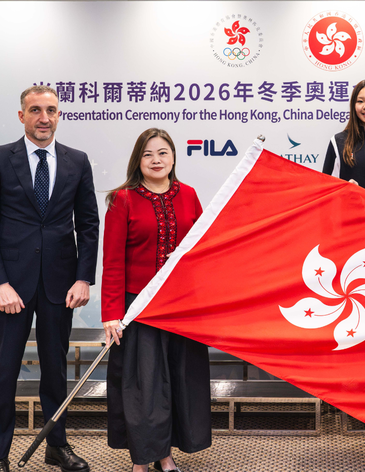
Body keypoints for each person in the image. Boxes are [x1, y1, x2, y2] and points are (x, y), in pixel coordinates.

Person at [0, 85, 99, 472]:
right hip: (11, 286)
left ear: (59, 115)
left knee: (56, 370)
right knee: (5, 372)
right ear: (22, 115)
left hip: (61, 285)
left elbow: (89, 225)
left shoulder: (77, 160)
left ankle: (56, 446)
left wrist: (83, 279)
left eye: (52, 110)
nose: (45, 117)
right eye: (36, 110)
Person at [101, 128, 211, 472]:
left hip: (181, 307)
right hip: (139, 308)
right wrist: (111, 314)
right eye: (148, 154)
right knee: (145, 386)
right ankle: (142, 459)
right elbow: (113, 261)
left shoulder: (190, 195)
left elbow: (201, 253)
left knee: (179, 381)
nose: (156, 160)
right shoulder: (123, 199)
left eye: (163, 153)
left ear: (174, 158)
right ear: (138, 160)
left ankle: (165, 455)